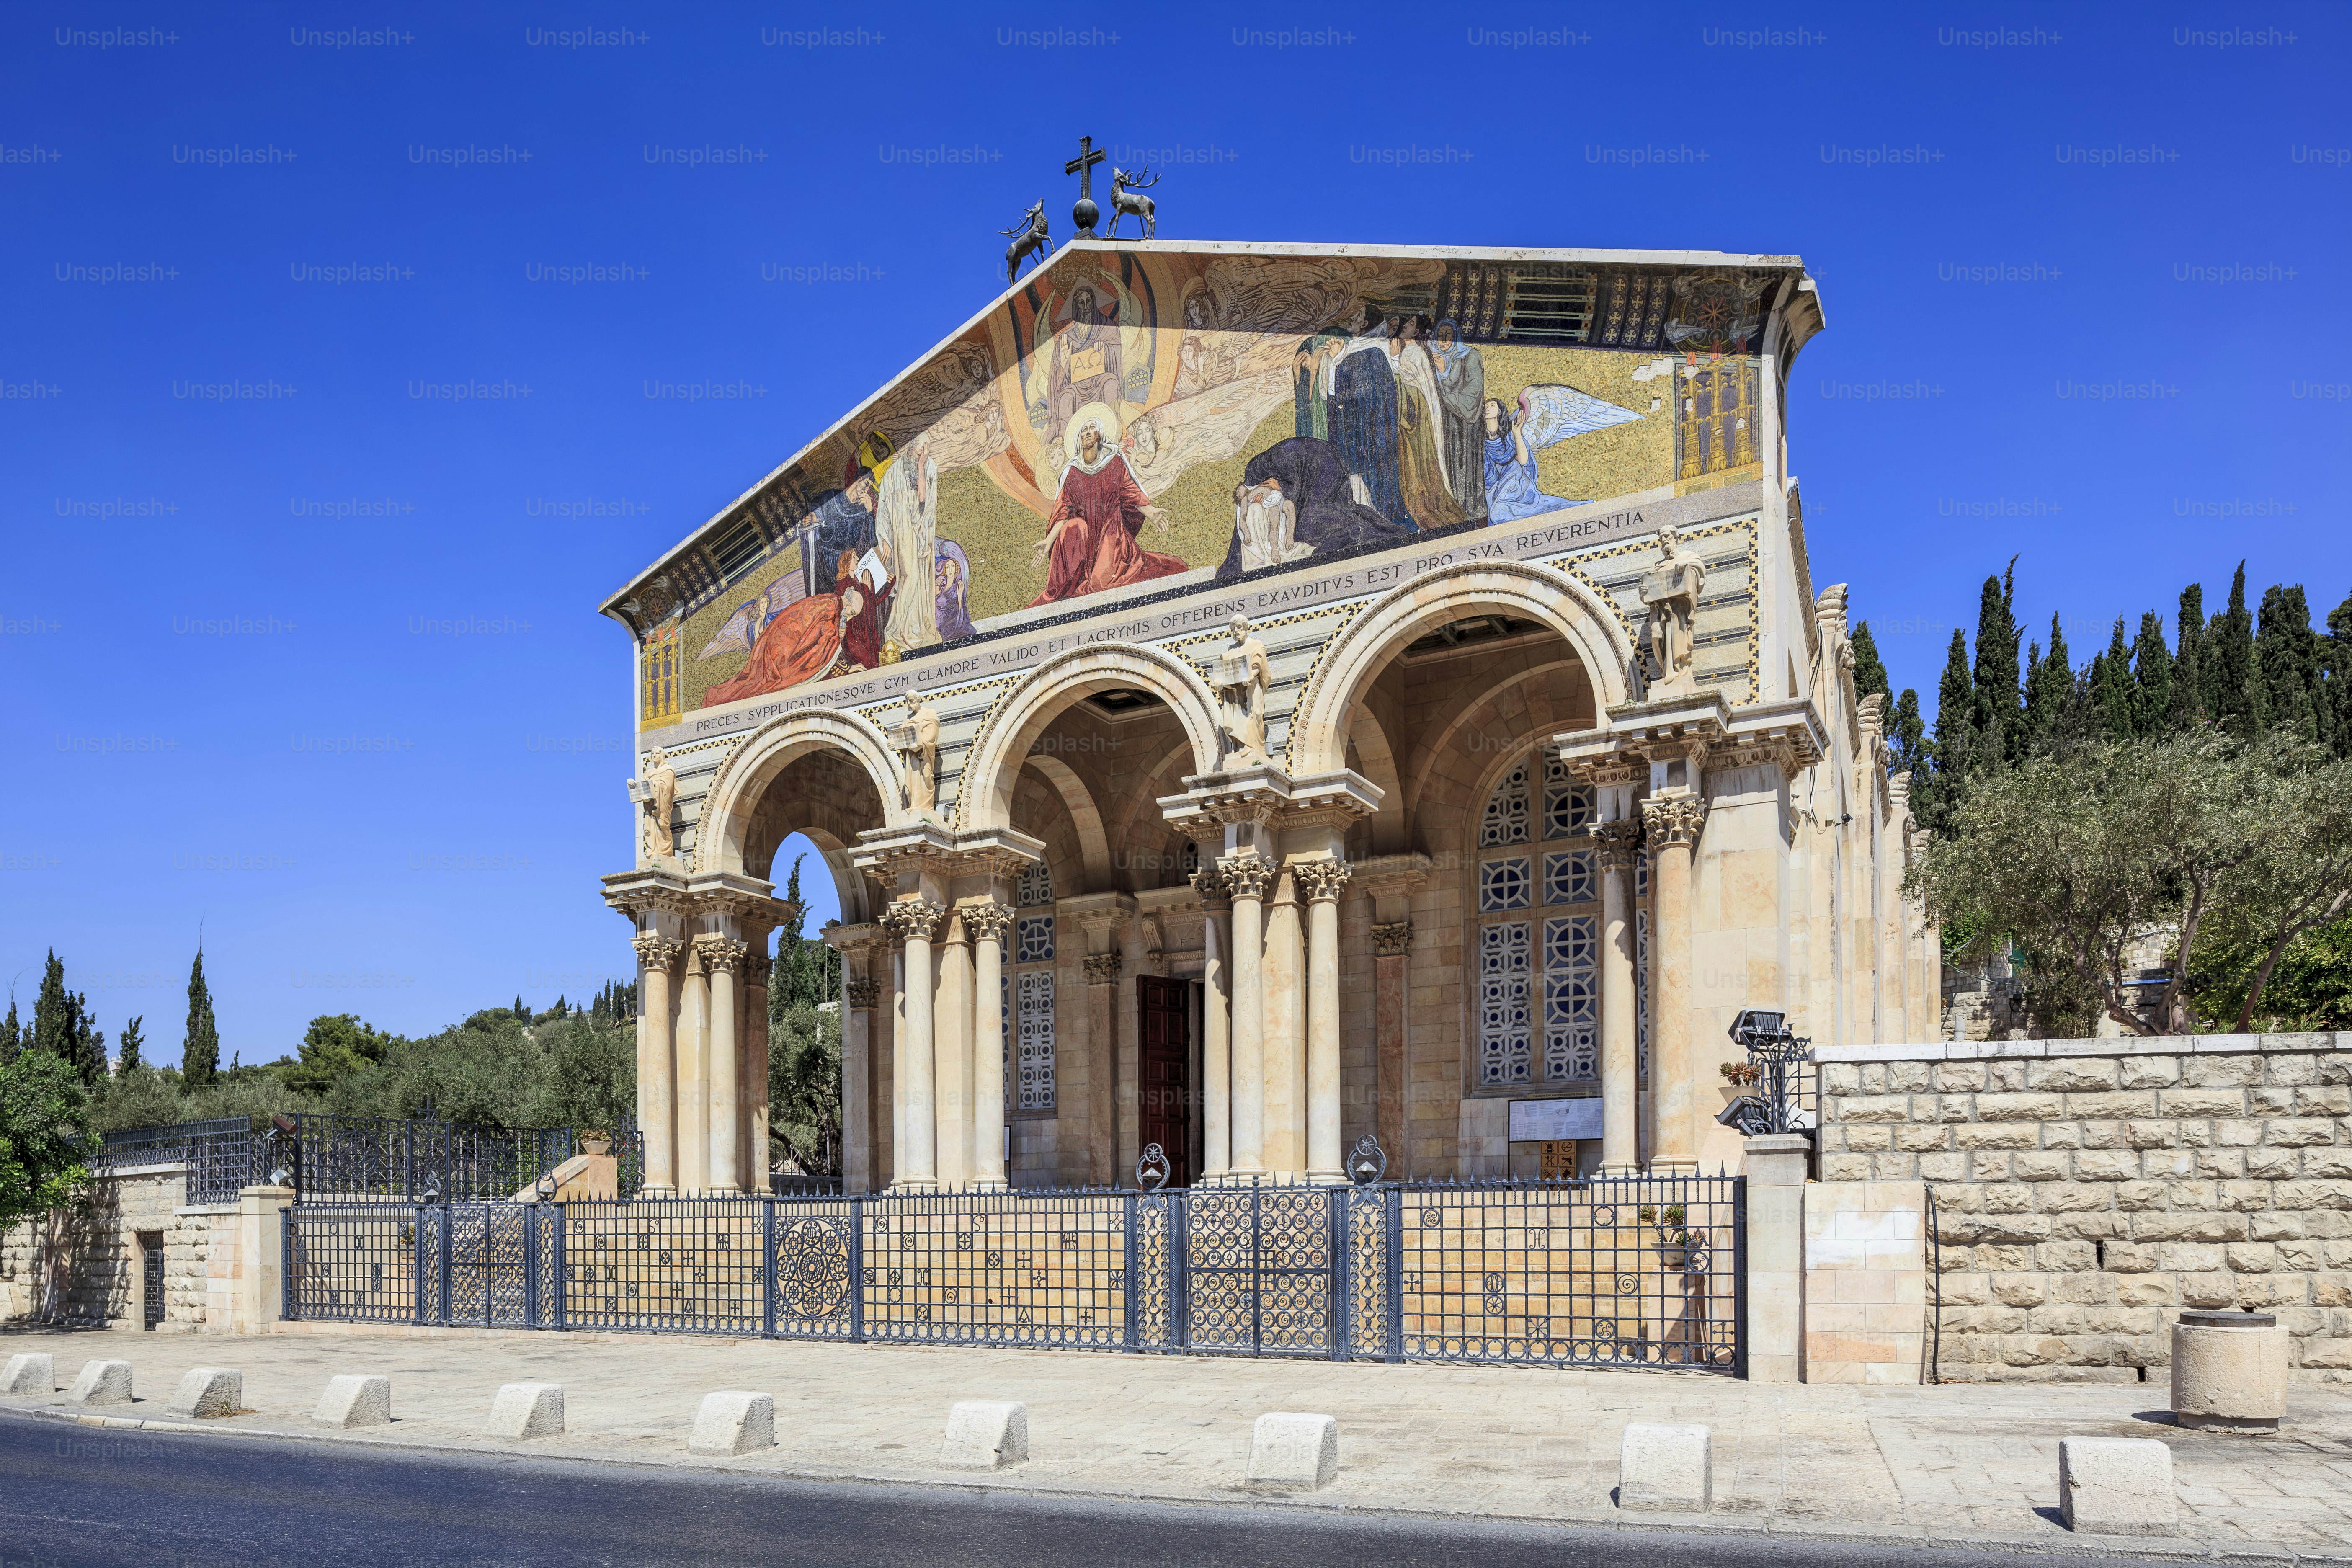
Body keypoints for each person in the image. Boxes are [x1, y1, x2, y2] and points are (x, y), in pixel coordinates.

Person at [1028, 409, 1186, 605]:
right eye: (1084, 430)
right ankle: (1069, 581)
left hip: (1111, 534)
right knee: (1074, 526)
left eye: (1092, 428)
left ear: (1100, 434)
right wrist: (1049, 541)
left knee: (1101, 584)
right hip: (1085, 541)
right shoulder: (1073, 472)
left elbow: (1131, 492)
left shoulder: (1114, 462)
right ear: (1079, 439)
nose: (1088, 432)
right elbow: (1063, 512)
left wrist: (1151, 512)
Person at [1390, 317, 1465, 529]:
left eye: (1410, 325)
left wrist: (1394, 360)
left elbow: (1411, 386)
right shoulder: (1413, 350)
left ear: (1416, 331)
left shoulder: (1412, 352)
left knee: (1418, 464)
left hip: (1417, 415)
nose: (1404, 327)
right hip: (1418, 412)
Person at [1429, 319, 1488, 518]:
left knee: (1466, 464)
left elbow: (1474, 392)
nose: (1444, 341)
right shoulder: (1436, 358)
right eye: (1440, 336)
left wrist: (1443, 376)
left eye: (1449, 336)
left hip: (1467, 425)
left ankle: (1470, 509)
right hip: (1447, 423)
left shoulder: (1471, 356)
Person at [933, 541, 978, 641]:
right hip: (941, 621)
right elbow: (938, 605)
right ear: (943, 568)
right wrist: (936, 594)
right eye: (948, 567)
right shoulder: (941, 582)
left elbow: (960, 609)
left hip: (954, 620)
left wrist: (960, 595)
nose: (950, 570)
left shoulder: (957, 584)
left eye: (953, 566)